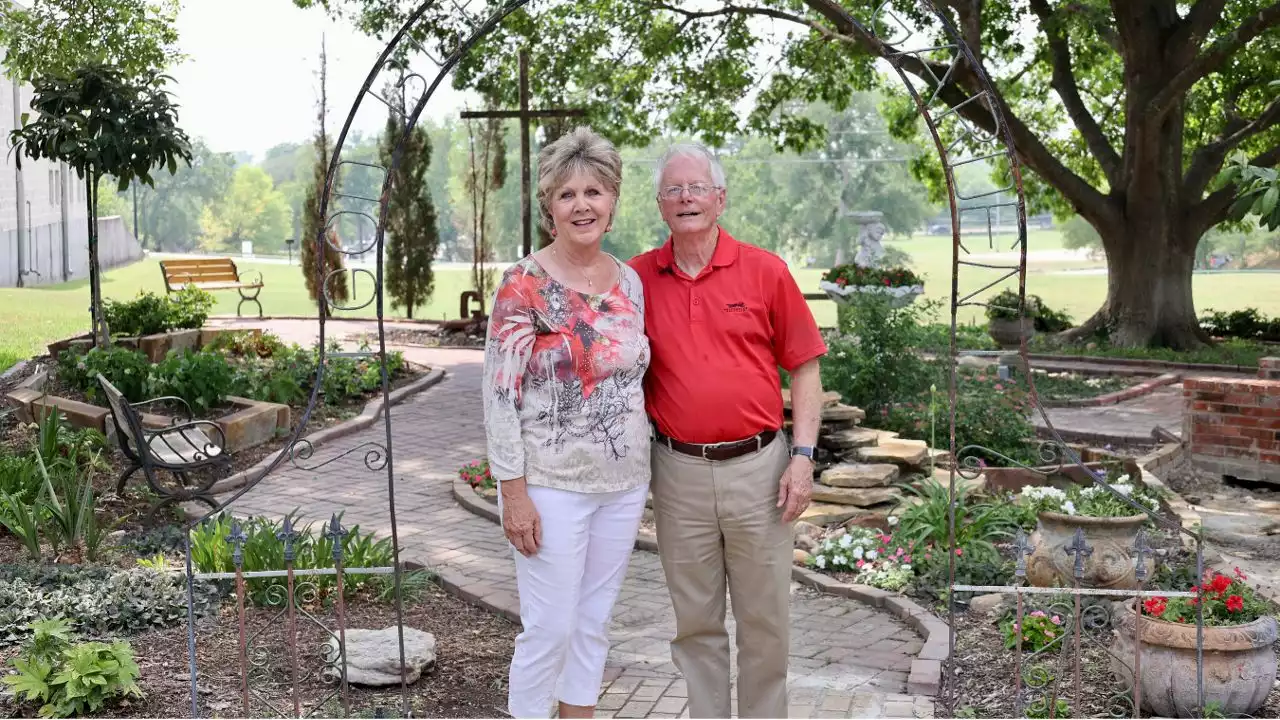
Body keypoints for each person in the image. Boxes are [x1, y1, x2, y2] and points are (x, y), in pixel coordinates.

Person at [628, 143, 827, 718]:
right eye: (673, 190)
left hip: (760, 470)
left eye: (696, 188)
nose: (686, 198)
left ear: (721, 197)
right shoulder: (637, 279)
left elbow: (806, 367)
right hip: (678, 472)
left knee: (765, 623)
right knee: (696, 625)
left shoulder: (765, 271)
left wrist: (803, 457)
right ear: (661, 205)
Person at [482, 127, 651, 719]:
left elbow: (633, 378)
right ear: (549, 207)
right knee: (548, 627)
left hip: (625, 481)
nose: (583, 205)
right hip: (551, 484)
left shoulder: (629, 282)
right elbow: (500, 395)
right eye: (568, 194)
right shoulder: (522, 283)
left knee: (593, 622)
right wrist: (513, 493)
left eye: (595, 192)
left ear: (613, 202)